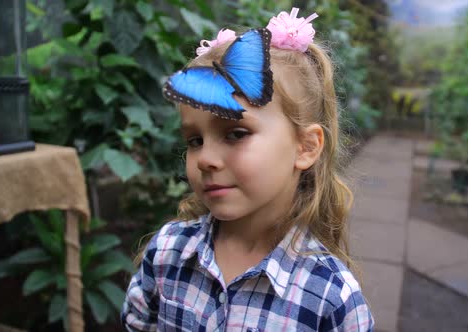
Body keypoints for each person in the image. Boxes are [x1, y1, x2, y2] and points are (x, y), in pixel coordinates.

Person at [122, 7, 374, 331]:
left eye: (236, 133)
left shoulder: (330, 297)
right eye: (195, 140)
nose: (205, 159)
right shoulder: (167, 253)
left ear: (306, 147)